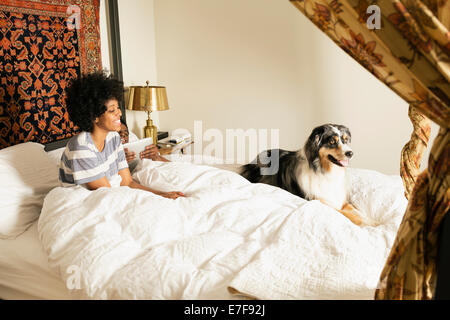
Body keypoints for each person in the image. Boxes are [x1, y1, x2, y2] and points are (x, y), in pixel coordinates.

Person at [59, 71, 185, 199]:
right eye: (112, 110)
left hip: (112, 194)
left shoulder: (113, 137)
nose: (119, 113)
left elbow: (127, 182)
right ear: (94, 116)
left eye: (118, 108)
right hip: (87, 202)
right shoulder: (81, 147)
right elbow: (106, 194)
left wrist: (162, 195)